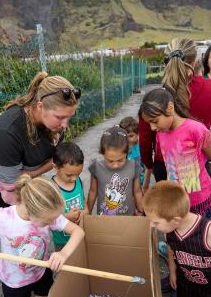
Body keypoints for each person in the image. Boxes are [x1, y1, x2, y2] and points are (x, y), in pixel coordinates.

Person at [0, 72, 81, 208]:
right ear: (40, 106)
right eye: (60, 117)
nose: (65, 125)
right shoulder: (6, 132)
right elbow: (11, 184)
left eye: (69, 117)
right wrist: (38, 172)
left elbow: (55, 158)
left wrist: (32, 173)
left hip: (30, 177)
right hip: (5, 186)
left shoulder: (54, 124)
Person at [143, 180, 211, 297]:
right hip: (186, 280)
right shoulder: (169, 231)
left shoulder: (207, 231)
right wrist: (173, 271)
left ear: (175, 219)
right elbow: (171, 248)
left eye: (156, 222)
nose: (152, 225)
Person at [139, 86, 211, 217]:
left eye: (154, 121)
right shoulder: (161, 134)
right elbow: (170, 166)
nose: (152, 127)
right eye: (149, 123)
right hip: (178, 203)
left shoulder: (195, 129)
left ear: (170, 108)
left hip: (200, 201)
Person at [87, 125, 143, 216]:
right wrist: (87, 212)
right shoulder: (96, 167)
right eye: (110, 161)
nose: (115, 165)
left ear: (127, 152)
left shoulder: (134, 166)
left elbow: (137, 191)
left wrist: (142, 211)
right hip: (104, 218)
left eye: (120, 160)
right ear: (103, 153)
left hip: (128, 218)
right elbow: (93, 191)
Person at [51, 142, 88, 251]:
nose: (74, 179)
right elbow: (48, 220)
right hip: (62, 243)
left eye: (78, 174)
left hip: (80, 236)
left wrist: (83, 213)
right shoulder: (51, 189)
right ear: (56, 167)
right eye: (69, 175)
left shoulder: (78, 182)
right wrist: (66, 218)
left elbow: (85, 205)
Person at [119, 116, 150, 191]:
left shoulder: (142, 149)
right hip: (125, 187)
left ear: (138, 133)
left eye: (131, 136)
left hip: (140, 186)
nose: (127, 139)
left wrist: (145, 186)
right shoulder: (120, 148)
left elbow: (148, 168)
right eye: (124, 136)